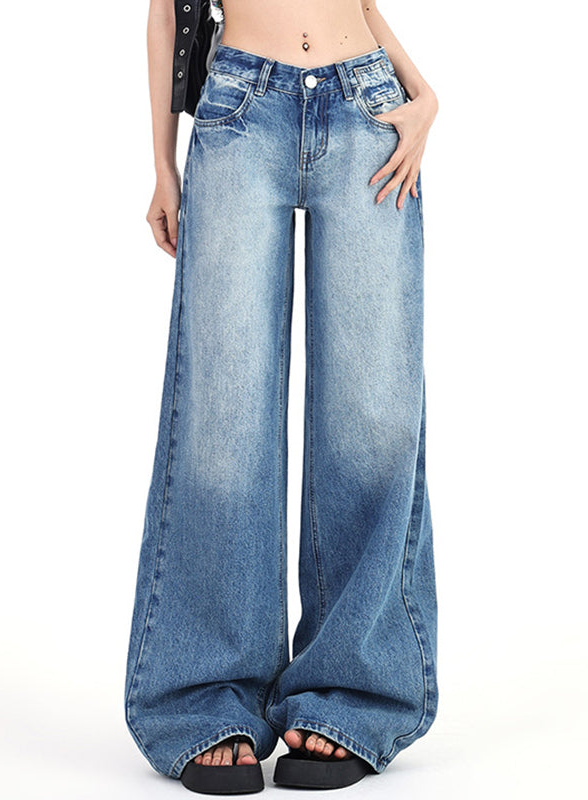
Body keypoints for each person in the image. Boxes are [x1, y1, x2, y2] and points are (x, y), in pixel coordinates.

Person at [124, 0, 439, 793]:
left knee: (372, 417)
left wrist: (422, 93)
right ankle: (208, 692)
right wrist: (162, 163)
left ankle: (354, 694)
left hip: (368, 110)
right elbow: (163, 11)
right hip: (238, 111)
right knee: (222, 421)